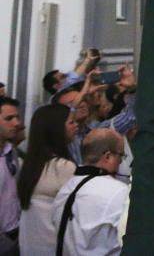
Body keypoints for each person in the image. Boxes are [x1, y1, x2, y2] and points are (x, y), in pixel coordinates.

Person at [50, 128, 129, 255]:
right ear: (108, 156)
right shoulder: (117, 191)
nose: (121, 161)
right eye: (120, 155)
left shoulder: (65, 189)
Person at [16, 105, 77, 256]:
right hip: (53, 246)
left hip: (29, 246)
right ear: (56, 129)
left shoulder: (29, 165)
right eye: (71, 122)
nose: (76, 126)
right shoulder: (63, 167)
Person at [0, 98, 23, 253]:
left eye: (17, 117)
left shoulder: (12, 152)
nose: (16, 123)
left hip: (15, 233)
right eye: (9, 118)